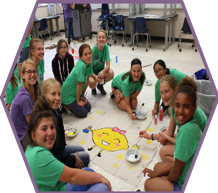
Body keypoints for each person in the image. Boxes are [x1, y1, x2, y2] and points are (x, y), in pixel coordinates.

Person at [24, 99, 112, 191]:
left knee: (87, 171)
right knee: (103, 187)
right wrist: (101, 178)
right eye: (44, 129)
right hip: (63, 183)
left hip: (61, 186)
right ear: (33, 135)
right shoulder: (39, 155)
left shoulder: (32, 147)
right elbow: (72, 176)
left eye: (52, 127)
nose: (50, 133)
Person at [142, 78, 202, 191]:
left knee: (148, 184)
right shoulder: (186, 122)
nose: (180, 111)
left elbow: (175, 173)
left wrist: (165, 179)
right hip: (184, 164)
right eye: (178, 106)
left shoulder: (187, 130)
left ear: (194, 110)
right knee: (156, 168)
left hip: (182, 181)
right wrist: (149, 136)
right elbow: (177, 158)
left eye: (186, 106)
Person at [139, 75, 207, 162]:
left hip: (196, 140)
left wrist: (167, 138)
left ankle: (185, 166)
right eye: (161, 92)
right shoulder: (173, 107)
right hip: (192, 136)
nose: (163, 96)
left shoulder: (183, 111)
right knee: (166, 142)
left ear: (175, 90)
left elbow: (188, 137)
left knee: (163, 151)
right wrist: (149, 136)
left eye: (167, 91)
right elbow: (170, 133)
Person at [40, 78, 90, 168]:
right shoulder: (46, 119)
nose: (57, 98)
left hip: (59, 149)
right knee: (86, 158)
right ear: (44, 96)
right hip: (54, 159)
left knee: (81, 149)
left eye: (59, 94)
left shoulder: (54, 110)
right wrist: (73, 159)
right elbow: (54, 155)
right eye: (53, 94)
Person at [9, 60, 38, 150]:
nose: (32, 75)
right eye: (28, 72)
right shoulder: (24, 98)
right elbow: (32, 125)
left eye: (34, 71)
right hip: (22, 138)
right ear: (23, 75)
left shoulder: (32, 89)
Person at [61, 44, 93, 118]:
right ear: (81, 57)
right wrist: (78, 101)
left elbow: (88, 79)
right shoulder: (81, 66)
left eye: (89, 53)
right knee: (84, 113)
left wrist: (82, 95)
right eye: (85, 54)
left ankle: (75, 102)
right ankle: (65, 106)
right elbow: (79, 84)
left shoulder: (89, 63)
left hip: (75, 94)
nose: (88, 56)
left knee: (88, 108)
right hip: (67, 95)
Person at [89, 29, 114, 96]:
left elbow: (108, 65)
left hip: (100, 71)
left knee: (111, 73)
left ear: (106, 40)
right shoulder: (93, 50)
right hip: (92, 73)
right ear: (97, 40)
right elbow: (89, 68)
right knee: (91, 82)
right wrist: (94, 76)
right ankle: (93, 88)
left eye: (103, 37)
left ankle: (100, 85)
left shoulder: (106, 47)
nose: (101, 39)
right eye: (99, 37)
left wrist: (102, 72)